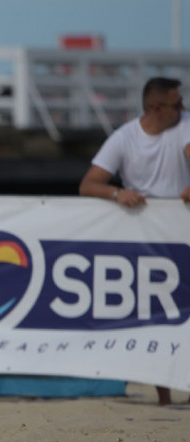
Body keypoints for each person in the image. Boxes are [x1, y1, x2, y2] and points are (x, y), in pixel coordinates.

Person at [78, 76, 190, 406]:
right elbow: (88, 184)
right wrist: (117, 193)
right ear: (156, 108)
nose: (183, 108)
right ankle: (165, 395)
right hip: (145, 237)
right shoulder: (125, 137)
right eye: (177, 103)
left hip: (180, 231)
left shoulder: (184, 125)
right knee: (156, 312)